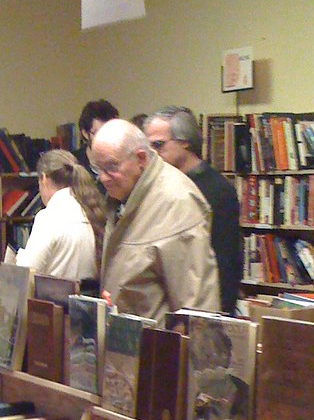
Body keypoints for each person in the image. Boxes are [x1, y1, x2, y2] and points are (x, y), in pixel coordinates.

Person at [91, 118, 220, 323]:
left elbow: (196, 310)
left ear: (141, 158)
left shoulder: (177, 203)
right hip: (127, 346)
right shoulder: (121, 197)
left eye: (111, 167)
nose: (103, 178)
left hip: (157, 350)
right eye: (97, 169)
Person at [144, 106, 241, 314]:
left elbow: (226, 262)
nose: (152, 154)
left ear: (185, 141)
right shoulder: (155, 187)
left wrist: (218, 316)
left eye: (158, 145)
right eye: (148, 146)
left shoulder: (218, 190)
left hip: (202, 308)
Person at [15, 149, 105, 281]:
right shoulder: (91, 211)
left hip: (54, 299)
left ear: (44, 178)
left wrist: (20, 257)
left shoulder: (49, 217)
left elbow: (25, 275)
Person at [76, 98, 119, 184]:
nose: (106, 138)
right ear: (85, 133)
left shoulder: (121, 160)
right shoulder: (73, 164)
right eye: (99, 132)